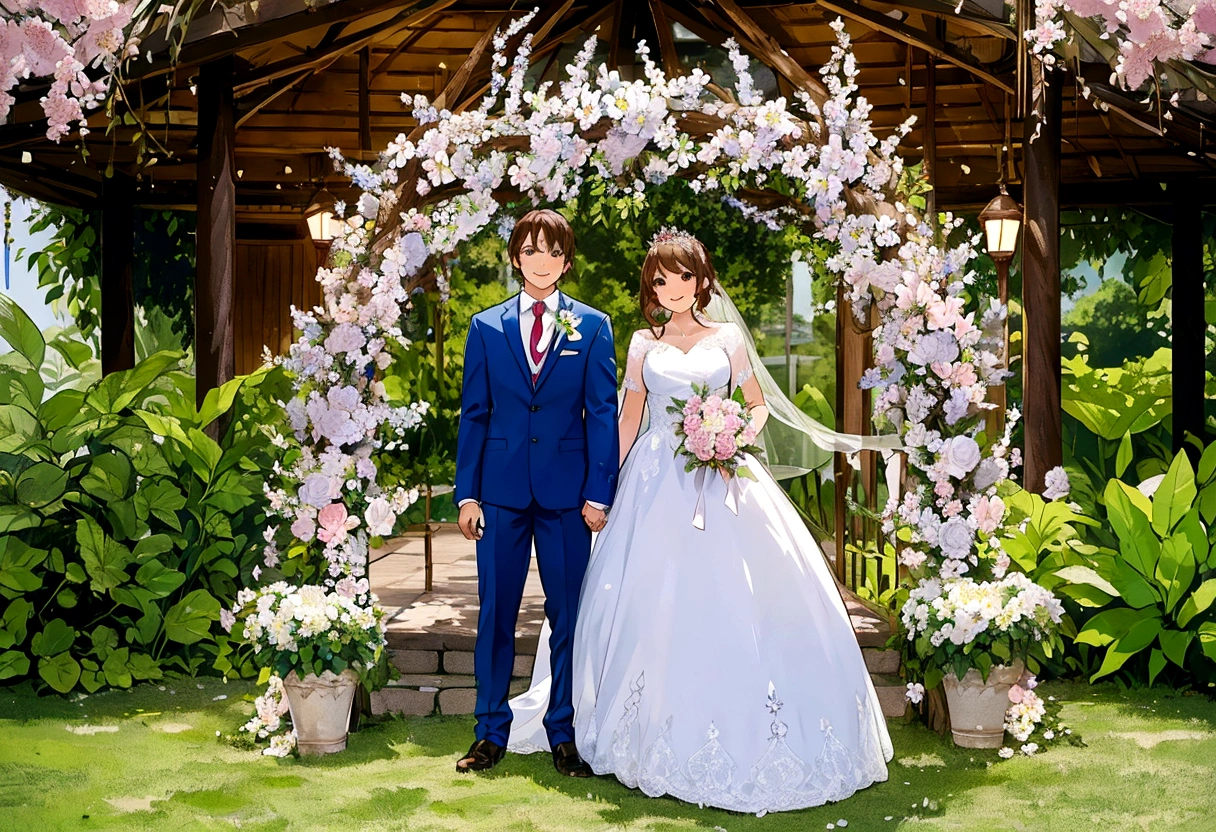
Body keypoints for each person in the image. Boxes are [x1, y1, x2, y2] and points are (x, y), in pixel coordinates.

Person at [508, 228, 893, 814]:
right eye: (662, 279)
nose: (674, 288)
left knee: (744, 593)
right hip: (655, 480)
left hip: (726, 474)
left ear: (701, 279)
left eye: (684, 276)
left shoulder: (729, 338)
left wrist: (733, 434)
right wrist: (600, 491)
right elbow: (627, 420)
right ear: (652, 287)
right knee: (650, 596)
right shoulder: (641, 343)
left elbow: (757, 404)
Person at [453, 209, 619, 776]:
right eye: (530, 250)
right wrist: (466, 495)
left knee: (568, 615)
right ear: (516, 257)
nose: (540, 260)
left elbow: (602, 414)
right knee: (495, 613)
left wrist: (600, 493)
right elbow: (474, 414)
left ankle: (564, 734)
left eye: (552, 251)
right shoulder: (486, 327)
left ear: (566, 261)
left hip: (568, 498)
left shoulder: (592, 327)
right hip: (497, 495)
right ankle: (488, 733)